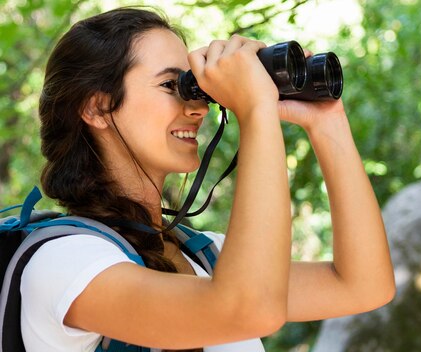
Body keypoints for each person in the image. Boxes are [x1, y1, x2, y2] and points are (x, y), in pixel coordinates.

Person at [23, 6, 395, 352]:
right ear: (98, 107)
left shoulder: (205, 257)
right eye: (172, 85)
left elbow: (363, 286)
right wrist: (255, 110)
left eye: (194, 87)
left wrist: (327, 121)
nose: (199, 107)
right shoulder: (65, 263)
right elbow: (247, 310)